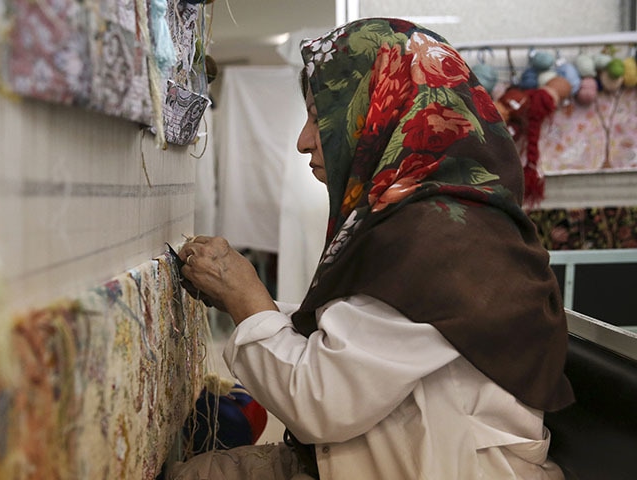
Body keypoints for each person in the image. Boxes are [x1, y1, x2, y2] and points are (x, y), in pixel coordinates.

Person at [168, 17, 574, 480]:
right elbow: (364, 332)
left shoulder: (440, 239)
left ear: (382, 114)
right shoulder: (436, 221)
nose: (303, 142)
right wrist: (244, 298)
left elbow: (318, 401)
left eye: (321, 118)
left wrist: (244, 297)